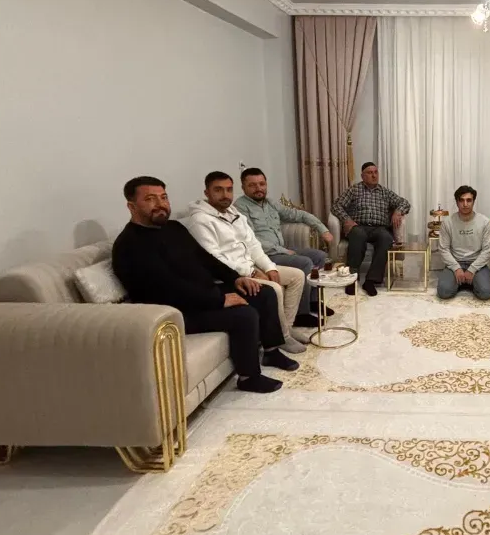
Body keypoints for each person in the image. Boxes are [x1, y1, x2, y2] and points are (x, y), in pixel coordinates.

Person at [112, 176, 296, 394]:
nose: (160, 204)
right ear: (131, 206)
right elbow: (165, 288)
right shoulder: (130, 245)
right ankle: (248, 377)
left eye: (164, 197)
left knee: (263, 293)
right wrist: (219, 299)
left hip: (202, 295)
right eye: (150, 199)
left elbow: (205, 258)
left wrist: (235, 278)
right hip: (173, 312)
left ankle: (271, 351)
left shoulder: (173, 228)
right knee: (243, 315)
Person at [187, 171, 308, 354]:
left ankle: (287, 328)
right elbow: (214, 259)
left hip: (250, 267)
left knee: (297, 276)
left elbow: (253, 245)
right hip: (231, 277)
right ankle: (282, 337)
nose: (225, 195)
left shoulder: (234, 213)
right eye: (218, 190)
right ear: (207, 192)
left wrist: (269, 267)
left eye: (229, 189)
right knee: (274, 288)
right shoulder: (200, 221)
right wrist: (249, 272)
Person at [235, 167, 335, 329]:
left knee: (320, 256)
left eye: (262, 184)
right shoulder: (240, 207)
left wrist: (322, 229)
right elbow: (251, 239)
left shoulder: (270, 203)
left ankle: (313, 301)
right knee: (304, 262)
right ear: (243, 187)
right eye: (252, 185)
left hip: (281, 250)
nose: (258, 188)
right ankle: (300, 314)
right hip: (264, 256)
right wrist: (284, 251)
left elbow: (299, 215)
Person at [330, 161, 411, 296]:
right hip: (358, 226)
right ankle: (352, 278)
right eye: (370, 173)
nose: (374, 175)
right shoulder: (354, 190)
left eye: (375, 172)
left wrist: (398, 211)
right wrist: (346, 219)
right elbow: (336, 205)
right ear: (362, 176)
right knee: (358, 235)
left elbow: (405, 203)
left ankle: (371, 281)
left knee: (386, 238)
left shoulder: (385, 192)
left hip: (379, 228)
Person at [437, 185, 490, 301]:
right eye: (461, 200)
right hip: (455, 263)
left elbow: (487, 250)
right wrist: (456, 268)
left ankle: (468, 281)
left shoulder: (485, 222)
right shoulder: (447, 223)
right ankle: (464, 281)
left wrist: (472, 269)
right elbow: (444, 249)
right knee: (443, 292)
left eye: (469, 200)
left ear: (474, 202)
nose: (465, 204)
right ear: (457, 202)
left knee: (485, 293)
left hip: (477, 264)